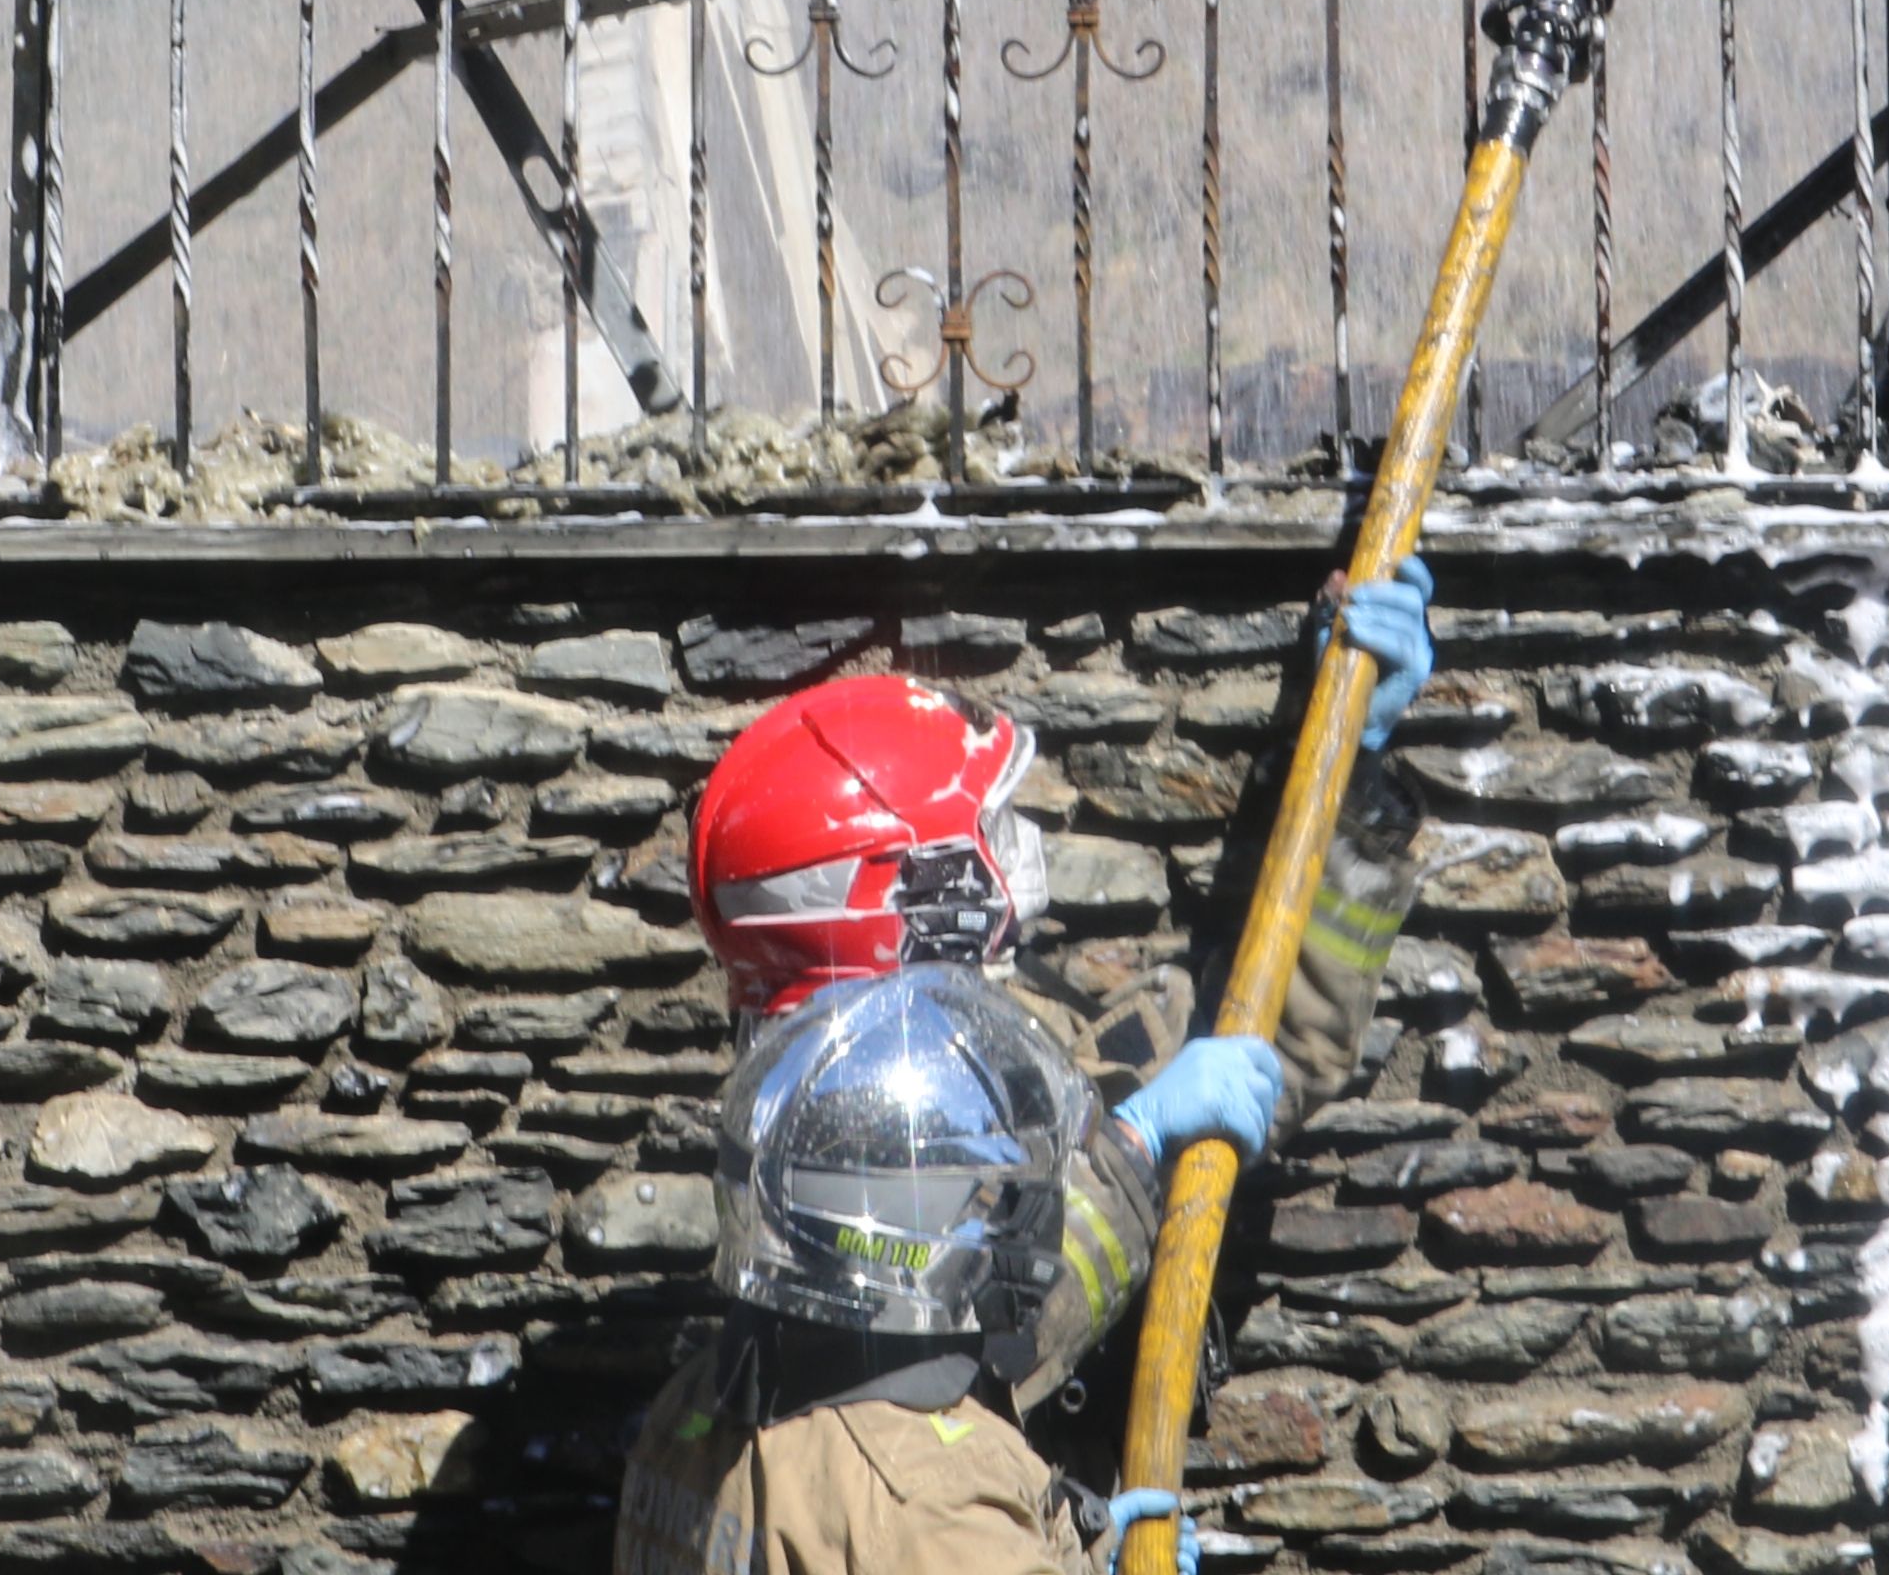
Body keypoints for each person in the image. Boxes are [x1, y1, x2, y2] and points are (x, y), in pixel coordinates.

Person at [677, 563, 1437, 1411]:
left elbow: (1269, 1041)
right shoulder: (822, 1151)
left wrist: (1347, 773)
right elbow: (975, 1366)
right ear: (898, 888)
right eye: (987, 827)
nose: (1018, 847)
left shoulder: (1001, 1041)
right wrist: (1136, 1151)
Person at [608, 962, 1209, 1575]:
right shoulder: (937, 1501)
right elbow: (913, 1532)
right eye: (981, 1198)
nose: (1004, 1220)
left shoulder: (693, 1403)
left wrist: (1078, 1547)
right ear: (900, 1230)